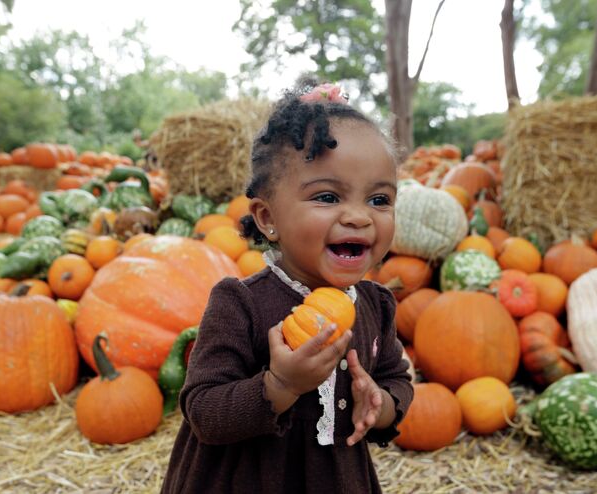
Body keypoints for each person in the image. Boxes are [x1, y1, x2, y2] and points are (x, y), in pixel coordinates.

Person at [161, 79, 413, 494]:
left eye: (379, 200)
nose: (359, 217)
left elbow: (395, 377)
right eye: (328, 197)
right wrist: (280, 386)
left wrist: (382, 406)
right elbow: (202, 410)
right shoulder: (239, 303)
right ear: (266, 217)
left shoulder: (377, 305)